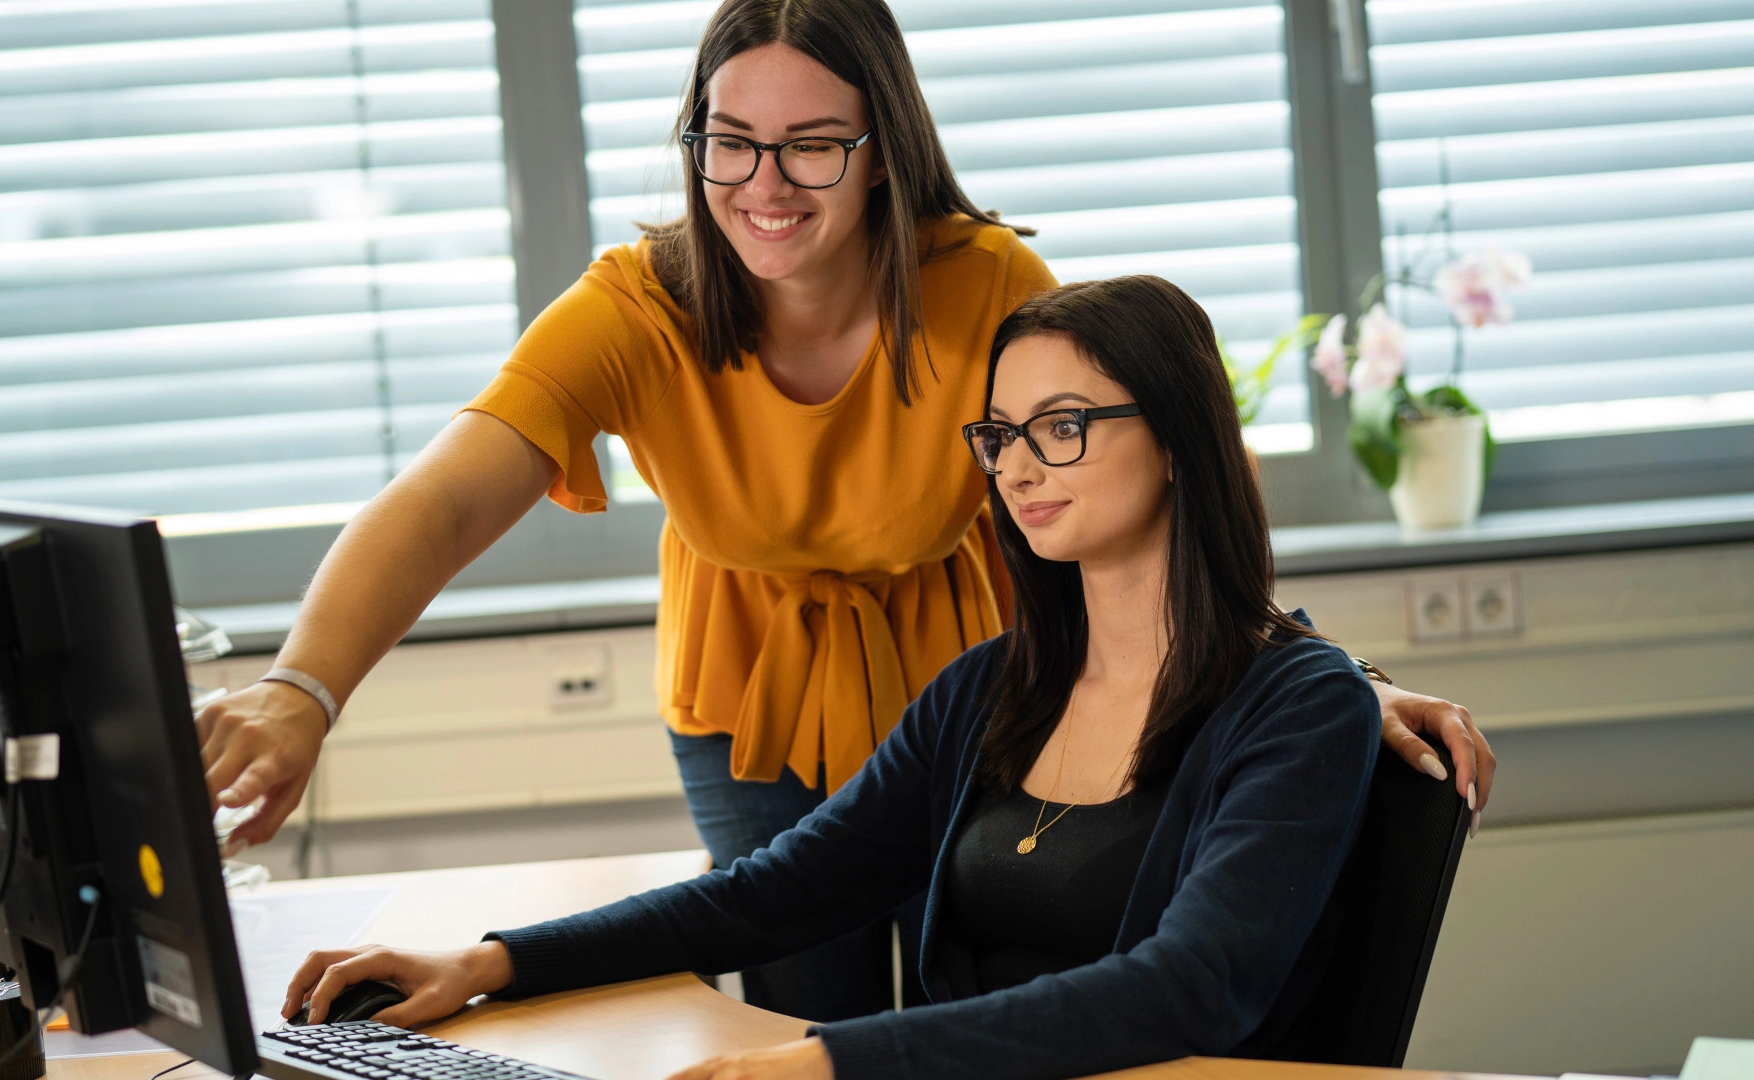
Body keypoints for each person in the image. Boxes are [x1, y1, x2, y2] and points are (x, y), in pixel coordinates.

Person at [198, 0, 1494, 1024]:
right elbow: (440, 501)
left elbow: (1161, 467)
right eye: (730, 139)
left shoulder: (982, 283)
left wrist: (1294, 678)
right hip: (757, 689)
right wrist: (301, 692)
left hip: (975, 671)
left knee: (993, 971)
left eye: (814, 141)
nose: (767, 181)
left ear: (884, 149)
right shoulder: (634, 306)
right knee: (796, 970)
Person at [285, 276, 1395, 1080]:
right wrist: (491, 963)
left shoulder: (1299, 706)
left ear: (1179, 439)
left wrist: (831, 1061)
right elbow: (774, 892)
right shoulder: (991, 690)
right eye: (1001, 432)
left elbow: (1191, 986)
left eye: (1062, 427)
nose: (1015, 466)